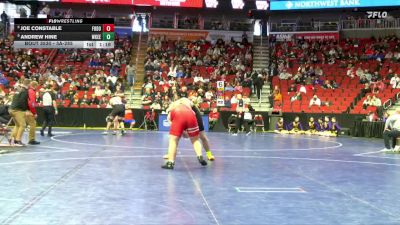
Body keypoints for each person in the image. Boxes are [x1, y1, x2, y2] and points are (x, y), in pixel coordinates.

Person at [162, 98, 208, 169]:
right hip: (191, 114)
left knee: (173, 140)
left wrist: (182, 132)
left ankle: (170, 163)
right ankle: (200, 156)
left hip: (178, 112)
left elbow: (171, 122)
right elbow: (196, 111)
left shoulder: (173, 106)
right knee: (195, 140)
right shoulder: (187, 101)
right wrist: (186, 132)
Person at [9, 79, 30, 146]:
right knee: (23, 125)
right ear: (28, 84)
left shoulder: (18, 90)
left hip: (11, 109)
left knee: (18, 125)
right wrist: (26, 110)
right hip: (17, 110)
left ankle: (11, 138)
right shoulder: (24, 91)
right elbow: (23, 101)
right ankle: (17, 140)